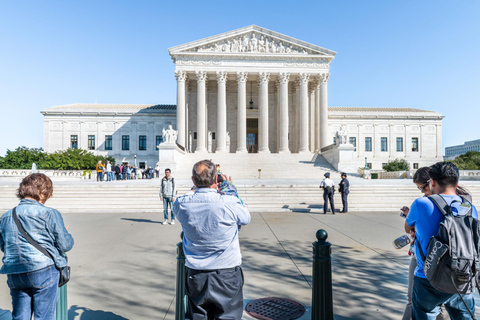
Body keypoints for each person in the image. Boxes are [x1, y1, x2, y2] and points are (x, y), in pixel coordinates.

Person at [174, 160, 251, 320]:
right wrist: (228, 188)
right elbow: (245, 217)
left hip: (196, 275)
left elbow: (184, 198)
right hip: (226, 274)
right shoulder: (230, 202)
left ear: (193, 181)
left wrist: (197, 188)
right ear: (216, 180)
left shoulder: (182, 204)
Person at [405, 162, 477, 319]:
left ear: (432, 182)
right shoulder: (469, 206)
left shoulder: (421, 203)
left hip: (428, 277)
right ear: (456, 183)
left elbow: (408, 227)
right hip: (461, 276)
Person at [0, 173, 74, 320]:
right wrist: (63, 233)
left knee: (20, 316)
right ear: (42, 193)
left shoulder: (6, 216)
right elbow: (66, 244)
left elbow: (4, 246)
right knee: (44, 316)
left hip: (15, 271)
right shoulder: (49, 213)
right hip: (42, 270)